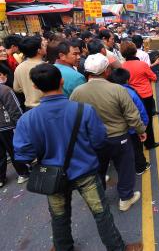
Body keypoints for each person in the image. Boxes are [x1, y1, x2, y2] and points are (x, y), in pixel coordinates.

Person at [13, 63, 141, 251]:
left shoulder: (28, 119)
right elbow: (99, 140)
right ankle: (117, 248)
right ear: (62, 81)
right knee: (101, 213)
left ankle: (63, 247)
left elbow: (23, 154)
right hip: (85, 172)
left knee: (59, 216)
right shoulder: (83, 110)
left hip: (52, 175)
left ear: (35, 86)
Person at [70, 53, 146, 212]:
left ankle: (98, 196)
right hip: (119, 137)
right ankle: (125, 198)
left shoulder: (77, 92)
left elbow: (73, 116)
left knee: (98, 168)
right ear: (106, 71)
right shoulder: (117, 89)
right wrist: (140, 130)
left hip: (92, 139)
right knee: (124, 167)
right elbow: (132, 115)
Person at [108, 68, 150, 175]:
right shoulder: (131, 93)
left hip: (117, 130)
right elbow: (141, 111)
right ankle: (140, 167)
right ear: (127, 80)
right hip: (133, 129)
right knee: (137, 148)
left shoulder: (108, 92)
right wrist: (143, 126)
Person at [120, 41, 159, 150]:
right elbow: (154, 77)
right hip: (145, 95)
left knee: (134, 119)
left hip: (130, 96)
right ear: (134, 51)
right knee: (147, 119)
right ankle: (149, 143)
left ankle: (138, 142)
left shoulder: (122, 66)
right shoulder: (142, 64)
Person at [0, 62, 29, 187]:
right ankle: (23, 173)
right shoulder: (5, 90)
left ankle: (1, 178)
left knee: (0, 153)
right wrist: (20, 125)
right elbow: (15, 109)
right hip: (8, 126)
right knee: (14, 150)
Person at [13, 36, 46, 110]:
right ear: (39, 50)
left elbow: (16, 88)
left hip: (29, 108)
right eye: (43, 45)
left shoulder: (19, 68)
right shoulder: (46, 67)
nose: (45, 46)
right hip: (45, 106)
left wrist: (27, 88)